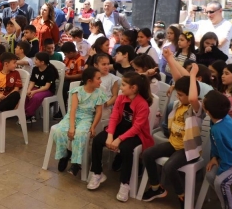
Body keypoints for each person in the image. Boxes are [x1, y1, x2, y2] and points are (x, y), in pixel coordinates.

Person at [140, 68, 203, 206]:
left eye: (180, 95)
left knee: (169, 167)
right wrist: (175, 84)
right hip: (174, 144)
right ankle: (156, 188)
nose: (177, 97)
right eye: (177, 94)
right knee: (147, 154)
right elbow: (180, 82)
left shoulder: (197, 109)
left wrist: (192, 75)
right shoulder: (178, 104)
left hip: (188, 149)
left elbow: (192, 97)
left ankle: (182, 196)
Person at [87, 72, 154, 202]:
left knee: (125, 149)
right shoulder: (121, 97)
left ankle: (125, 183)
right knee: (97, 140)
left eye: (123, 85)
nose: (121, 87)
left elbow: (137, 128)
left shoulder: (142, 104)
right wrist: (110, 135)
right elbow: (114, 117)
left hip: (136, 134)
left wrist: (118, 139)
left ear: (133, 88)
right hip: (119, 129)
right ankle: (97, 173)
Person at [54, 67, 107, 175]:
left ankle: (76, 163)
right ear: (89, 81)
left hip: (87, 118)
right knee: (59, 130)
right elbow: (72, 110)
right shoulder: (77, 91)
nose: (100, 81)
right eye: (98, 78)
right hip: (72, 116)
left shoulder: (99, 93)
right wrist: (72, 127)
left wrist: (93, 127)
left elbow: (98, 112)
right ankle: (65, 155)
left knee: (80, 134)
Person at [22, 52, 58, 123]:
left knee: (35, 97)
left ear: (42, 62)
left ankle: (28, 114)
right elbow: (32, 81)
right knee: (25, 94)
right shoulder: (35, 69)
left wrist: (34, 91)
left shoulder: (50, 70)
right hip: (37, 88)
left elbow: (47, 87)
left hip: (48, 90)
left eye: (36, 60)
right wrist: (29, 90)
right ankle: (25, 113)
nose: (34, 61)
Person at [95, 53, 120, 117]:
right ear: (96, 65)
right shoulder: (92, 77)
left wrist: (106, 104)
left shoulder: (112, 78)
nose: (106, 66)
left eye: (108, 64)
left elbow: (115, 96)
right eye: (103, 64)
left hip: (106, 107)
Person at [61, 42, 84, 114]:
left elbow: (81, 75)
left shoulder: (80, 60)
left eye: (66, 54)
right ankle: (61, 107)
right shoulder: (67, 58)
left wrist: (68, 77)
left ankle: (63, 110)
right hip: (65, 79)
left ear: (71, 53)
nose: (65, 56)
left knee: (64, 87)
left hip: (74, 81)